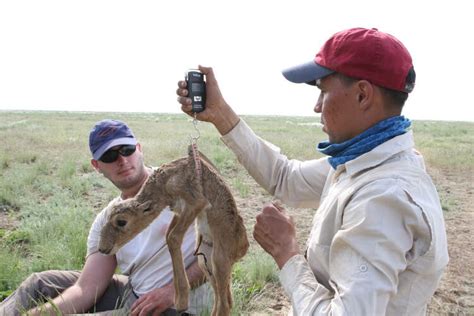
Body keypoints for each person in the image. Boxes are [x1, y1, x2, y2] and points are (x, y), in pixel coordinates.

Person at [176, 27, 449, 315]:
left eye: (323, 90)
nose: (316, 106)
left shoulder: (382, 197)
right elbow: (286, 178)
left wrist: (287, 254)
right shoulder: (364, 162)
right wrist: (220, 113)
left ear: (362, 95)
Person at [0, 119, 210, 315]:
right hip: (134, 294)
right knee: (40, 283)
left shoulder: (183, 188)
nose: (122, 160)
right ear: (96, 165)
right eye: (109, 155)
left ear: (139, 149)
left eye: (127, 150)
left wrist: (173, 289)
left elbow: (223, 249)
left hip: (180, 307)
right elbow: (87, 288)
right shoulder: (107, 220)